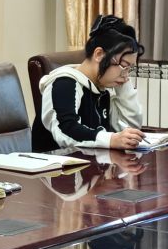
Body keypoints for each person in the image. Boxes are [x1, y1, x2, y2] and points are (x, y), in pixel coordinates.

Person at [37, 14, 147, 149]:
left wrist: (123, 83)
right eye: (124, 65)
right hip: (57, 161)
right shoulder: (64, 84)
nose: (126, 75)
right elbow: (65, 130)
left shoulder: (102, 89)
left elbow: (130, 129)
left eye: (130, 68)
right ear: (99, 54)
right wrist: (111, 139)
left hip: (89, 160)